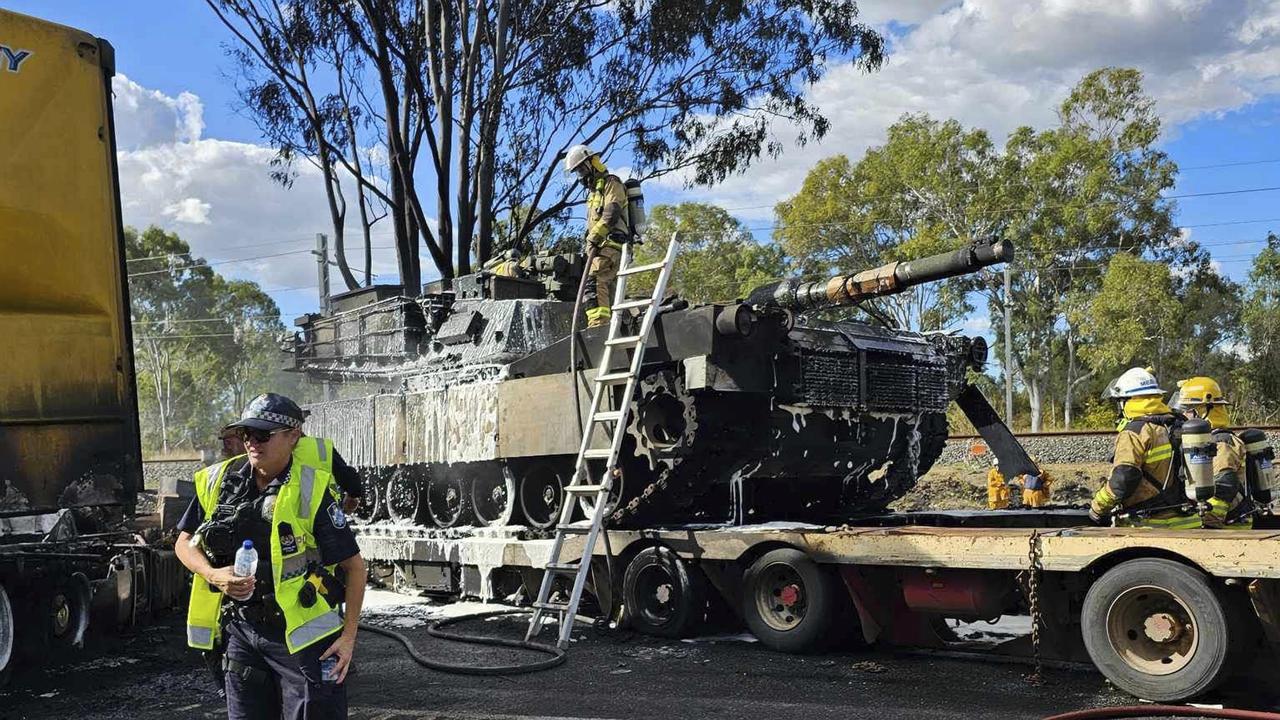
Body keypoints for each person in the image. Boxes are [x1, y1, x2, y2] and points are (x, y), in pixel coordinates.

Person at [174, 393, 367, 720]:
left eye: (263, 435)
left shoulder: (310, 489)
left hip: (302, 638)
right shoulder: (220, 481)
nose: (252, 442)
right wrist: (214, 574)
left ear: (293, 437)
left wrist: (348, 638)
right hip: (242, 632)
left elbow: (355, 567)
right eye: (246, 434)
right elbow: (183, 542)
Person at [1088, 367, 1194, 528]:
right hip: (1188, 522)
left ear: (1127, 400)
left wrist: (1097, 508)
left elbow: (1123, 479)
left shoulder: (1135, 432)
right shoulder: (1179, 424)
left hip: (1150, 525)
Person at [564, 144, 631, 328]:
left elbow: (612, 212)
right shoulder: (595, 193)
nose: (581, 176)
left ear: (593, 163)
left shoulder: (611, 183)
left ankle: (598, 326)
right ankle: (617, 326)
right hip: (603, 248)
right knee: (609, 291)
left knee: (593, 283)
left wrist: (593, 237)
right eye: (577, 172)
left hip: (612, 246)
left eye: (582, 170)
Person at [1173, 376, 1252, 529]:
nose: (1183, 417)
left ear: (1203, 411)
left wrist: (1208, 523)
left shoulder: (1222, 442)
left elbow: (1224, 486)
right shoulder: (1207, 439)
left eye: (1187, 411)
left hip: (1232, 527)